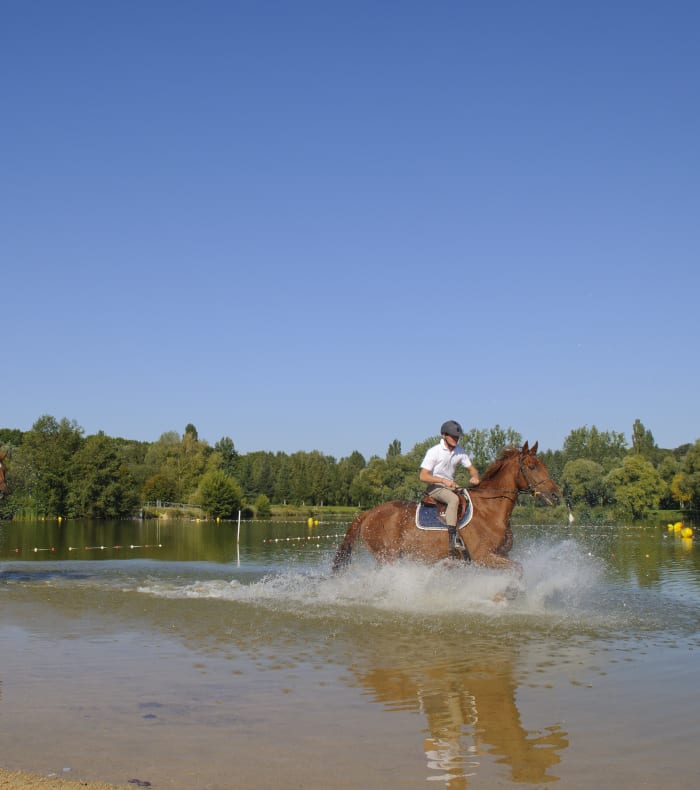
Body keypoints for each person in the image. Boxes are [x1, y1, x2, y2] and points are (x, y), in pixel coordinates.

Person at [419, 420, 480, 553]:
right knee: (454, 500)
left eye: (457, 437)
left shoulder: (460, 451)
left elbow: (472, 469)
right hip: (435, 487)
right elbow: (423, 476)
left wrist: (475, 477)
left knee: (472, 496)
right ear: (444, 435)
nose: (456, 439)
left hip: (451, 485)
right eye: (453, 436)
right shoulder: (434, 451)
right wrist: (443, 481)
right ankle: (453, 538)